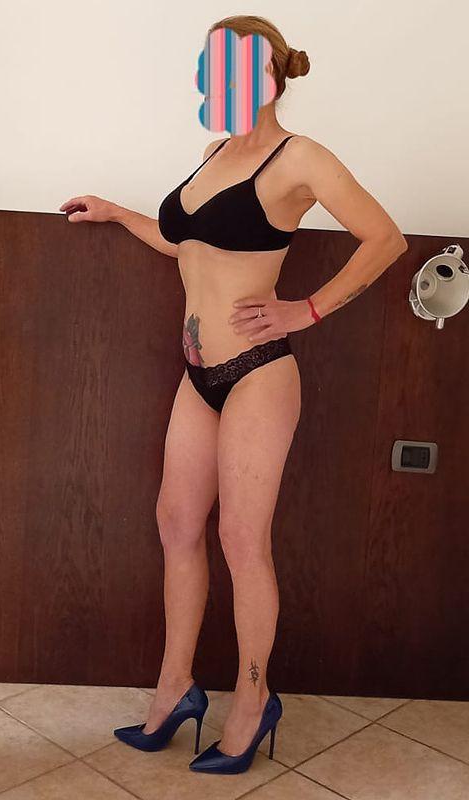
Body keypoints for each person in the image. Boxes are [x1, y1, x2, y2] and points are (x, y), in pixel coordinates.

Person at [59, 13, 408, 775]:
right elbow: (187, 243)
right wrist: (118, 213)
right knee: (177, 526)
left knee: (242, 541)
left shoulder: (300, 157)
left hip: (256, 372)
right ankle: (176, 688)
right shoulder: (213, 153)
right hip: (197, 374)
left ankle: (253, 701)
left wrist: (306, 309)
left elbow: (386, 239)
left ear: (267, 75)